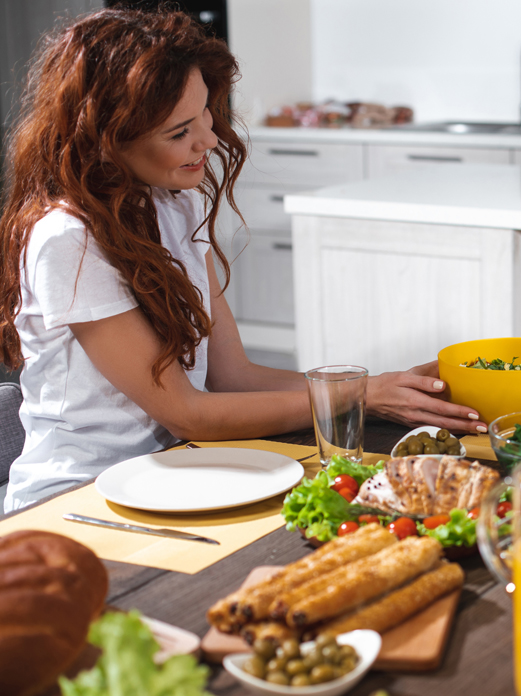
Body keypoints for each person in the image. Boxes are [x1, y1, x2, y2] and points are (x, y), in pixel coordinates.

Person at [0, 7, 485, 512]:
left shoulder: (173, 199)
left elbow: (232, 378)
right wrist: (360, 395)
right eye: (178, 132)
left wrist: (385, 387)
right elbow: (188, 413)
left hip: (177, 471)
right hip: (73, 501)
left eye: (205, 112)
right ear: (106, 141)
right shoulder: (67, 238)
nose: (208, 139)